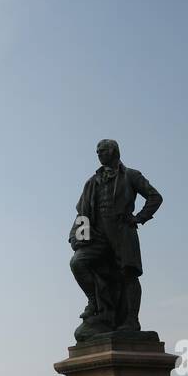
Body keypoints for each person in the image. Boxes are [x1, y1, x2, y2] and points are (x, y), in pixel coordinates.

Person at [69, 138, 162, 340]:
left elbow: (155, 197)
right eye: (97, 151)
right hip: (98, 236)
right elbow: (82, 213)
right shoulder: (92, 182)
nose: (98, 154)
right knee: (78, 261)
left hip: (122, 233)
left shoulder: (130, 175)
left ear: (113, 151)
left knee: (128, 275)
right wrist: (79, 237)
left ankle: (131, 320)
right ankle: (95, 303)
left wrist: (139, 218)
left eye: (101, 150)